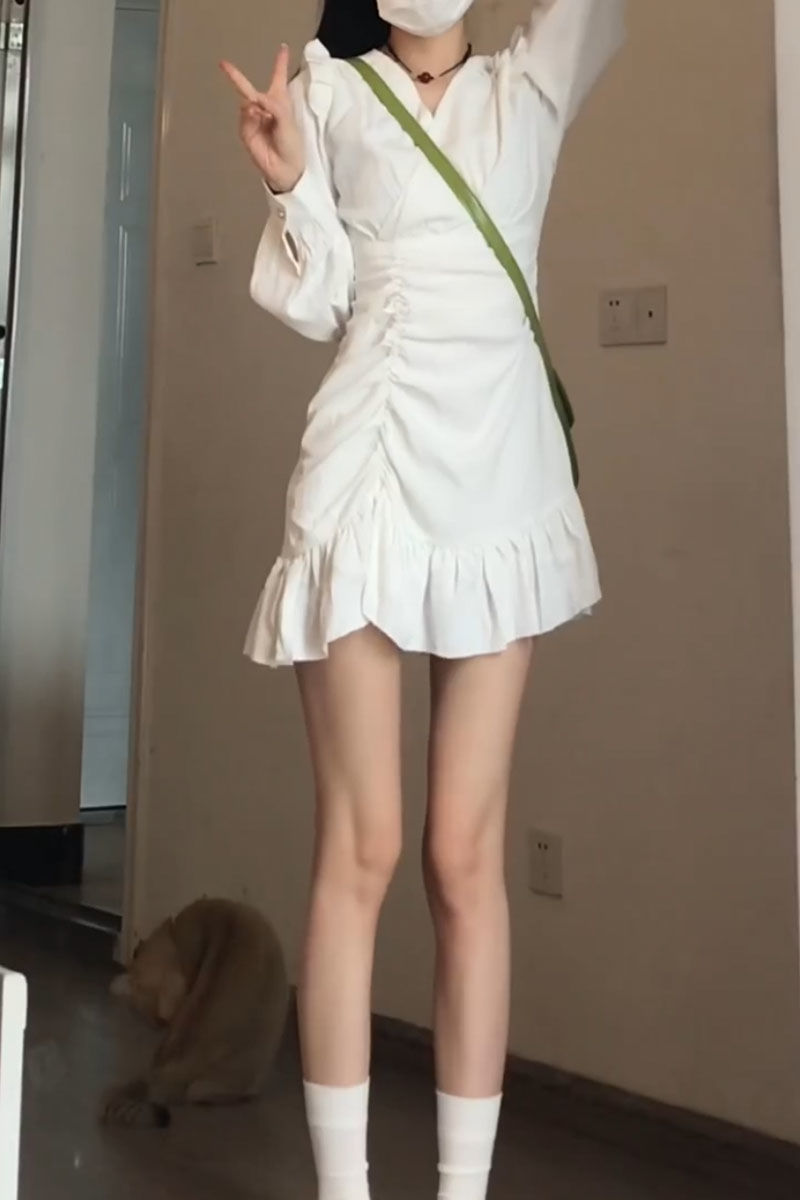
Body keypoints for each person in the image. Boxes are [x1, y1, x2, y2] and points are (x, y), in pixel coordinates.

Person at [221, 1, 625, 1197]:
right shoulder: (332, 93)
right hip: (368, 464)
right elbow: (320, 303)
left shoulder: (528, 84)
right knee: (363, 846)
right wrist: (287, 180)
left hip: (501, 482)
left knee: (462, 854)